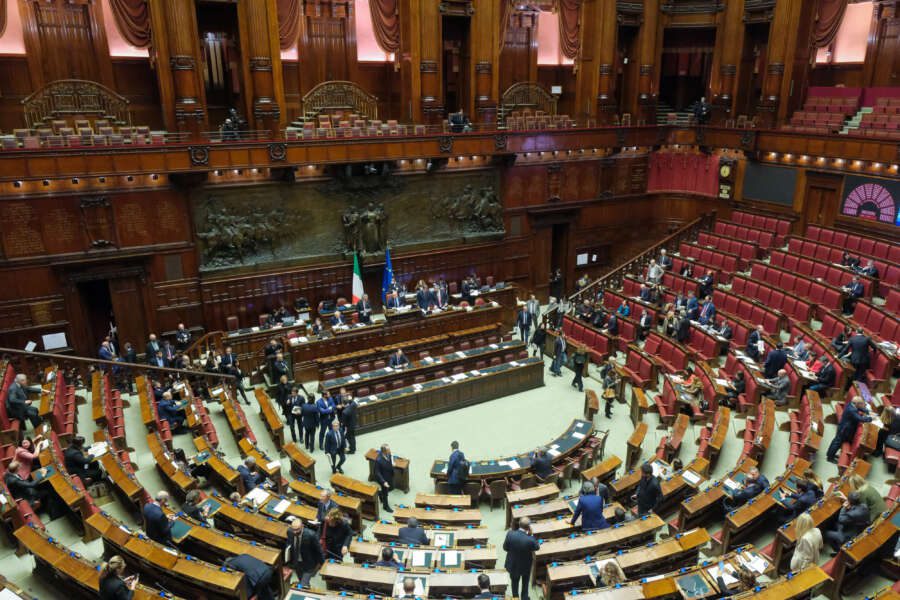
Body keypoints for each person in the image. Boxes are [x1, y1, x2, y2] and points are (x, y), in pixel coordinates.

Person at [827, 396, 872, 464]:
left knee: (836, 441)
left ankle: (830, 454)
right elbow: (860, 419)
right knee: (837, 442)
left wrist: (866, 411)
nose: (863, 405)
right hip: (845, 430)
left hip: (843, 426)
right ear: (857, 404)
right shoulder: (852, 410)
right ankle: (830, 457)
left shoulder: (851, 404)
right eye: (862, 404)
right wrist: (871, 418)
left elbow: (859, 408)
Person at [503, 517, 540, 600]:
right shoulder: (530, 539)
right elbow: (537, 547)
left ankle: (515, 597)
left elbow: (505, 548)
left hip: (513, 564)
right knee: (525, 583)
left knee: (514, 582)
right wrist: (531, 535)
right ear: (528, 527)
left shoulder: (510, 534)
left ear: (519, 524)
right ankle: (524, 598)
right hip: (525, 565)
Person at [285, 517, 323, 587]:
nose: (295, 532)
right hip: (296, 563)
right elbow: (289, 544)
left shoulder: (311, 535)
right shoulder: (290, 532)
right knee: (302, 582)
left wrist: (322, 564)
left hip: (309, 564)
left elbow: (319, 551)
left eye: (297, 529)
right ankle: (308, 588)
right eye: (293, 529)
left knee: (303, 585)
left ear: (302, 526)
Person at [373, 443, 395, 513]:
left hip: (389, 475)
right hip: (383, 478)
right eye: (388, 450)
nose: (390, 451)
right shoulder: (378, 460)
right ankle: (386, 507)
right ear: (384, 451)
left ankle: (380, 493)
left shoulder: (389, 454)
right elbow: (377, 472)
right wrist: (383, 482)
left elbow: (389, 461)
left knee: (390, 489)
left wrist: (392, 464)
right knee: (385, 492)